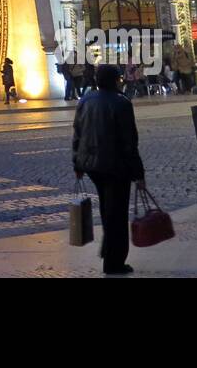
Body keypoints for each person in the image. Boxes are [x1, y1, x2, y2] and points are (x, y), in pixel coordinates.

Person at [72, 64, 146, 275]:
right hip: (115, 166)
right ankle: (114, 262)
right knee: (117, 215)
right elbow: (129, 142)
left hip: (92, 166)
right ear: (116, 80)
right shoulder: (121, 103)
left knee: (108, 210)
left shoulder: (86, 100)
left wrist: (77, 163)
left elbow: (77, 133)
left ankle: (109, 252)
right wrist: (139, 174)